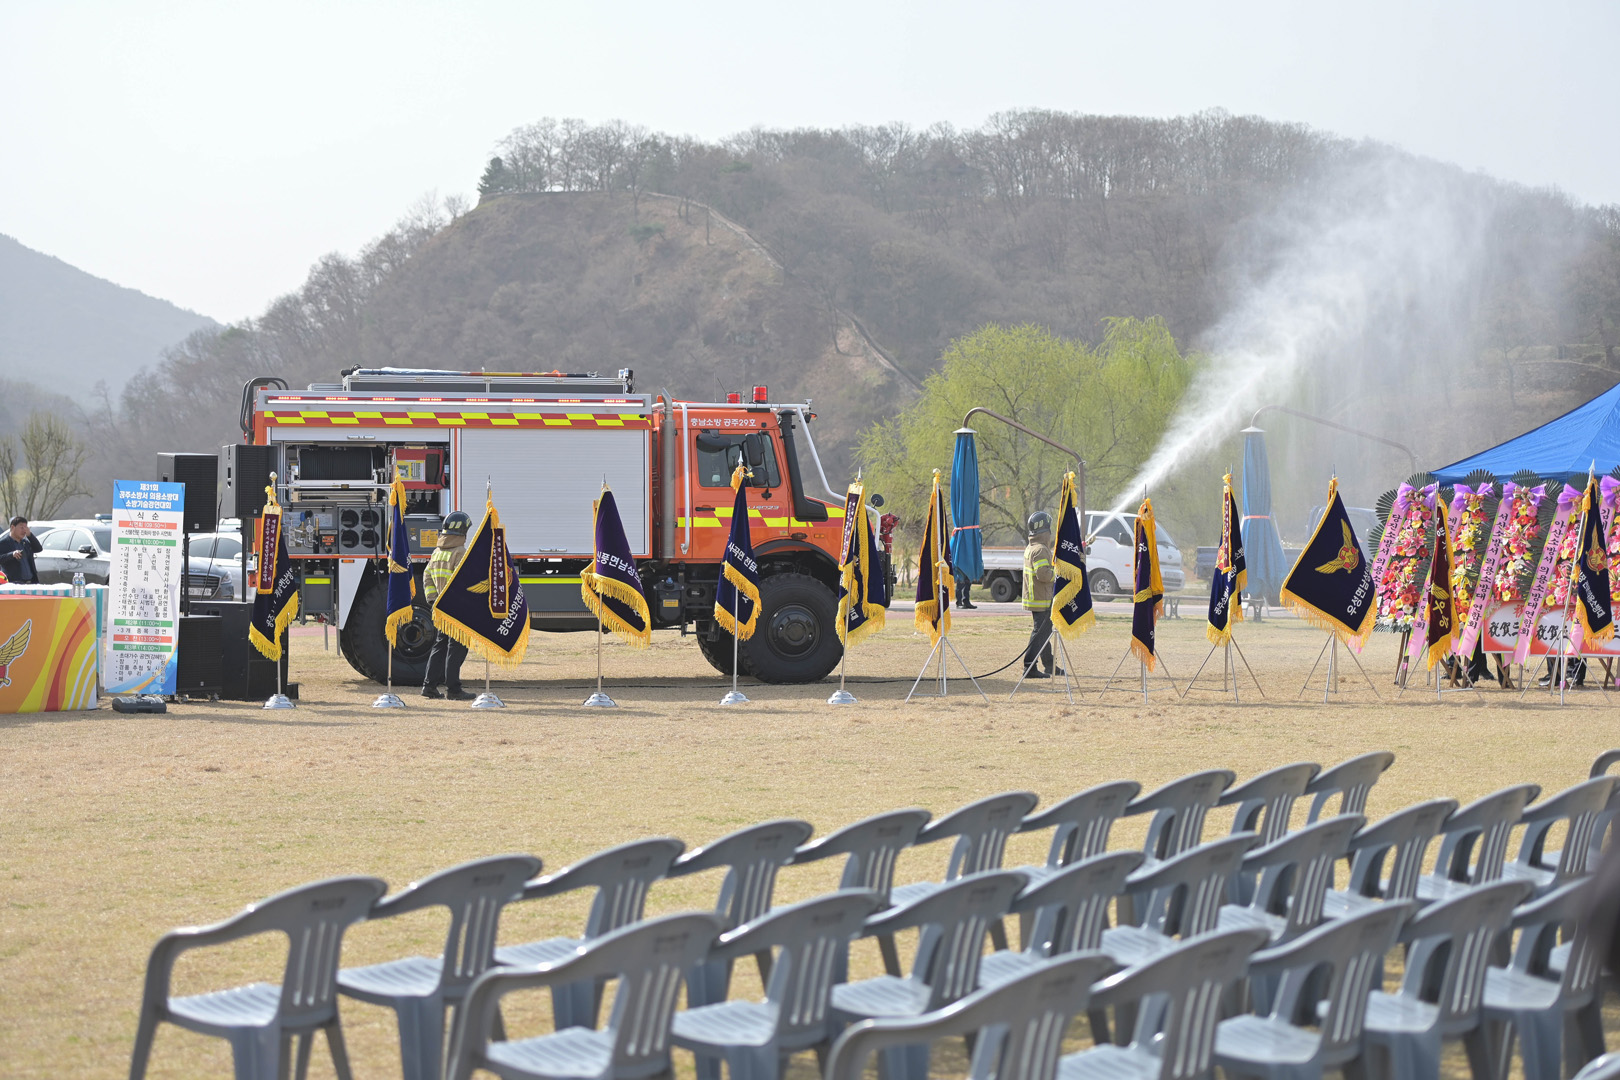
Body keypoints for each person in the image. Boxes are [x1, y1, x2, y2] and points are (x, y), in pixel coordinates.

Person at [422, 511, 473, 700]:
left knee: (440, 645)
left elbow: (427, 576)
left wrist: (433, 599)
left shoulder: (437, 552)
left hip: (440, 607)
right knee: (456, 647)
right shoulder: (460, 552)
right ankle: (453, 689)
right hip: (457, 608)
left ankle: (429, 686)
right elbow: (463, 582)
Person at [1021, 510, 1063, 679]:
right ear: (1044, 531)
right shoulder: (1040, 550)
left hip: (1036, 598)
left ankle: (1049, 665)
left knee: (1044, 633)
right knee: (1040, 634)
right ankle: (1029, 667)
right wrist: (1058, 574)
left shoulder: (1032, 547)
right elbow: (1043, 575)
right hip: (1041, 599)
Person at [0, 516, 43, 584]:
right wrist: (11, 554)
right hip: (14, 583)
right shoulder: (3, 543)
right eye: (21, 527)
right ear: (12, 527)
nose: (24, 530)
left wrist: (30, 535)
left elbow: (38, 548)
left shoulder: (25, 543)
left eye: (25, 527)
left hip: (31, 582)